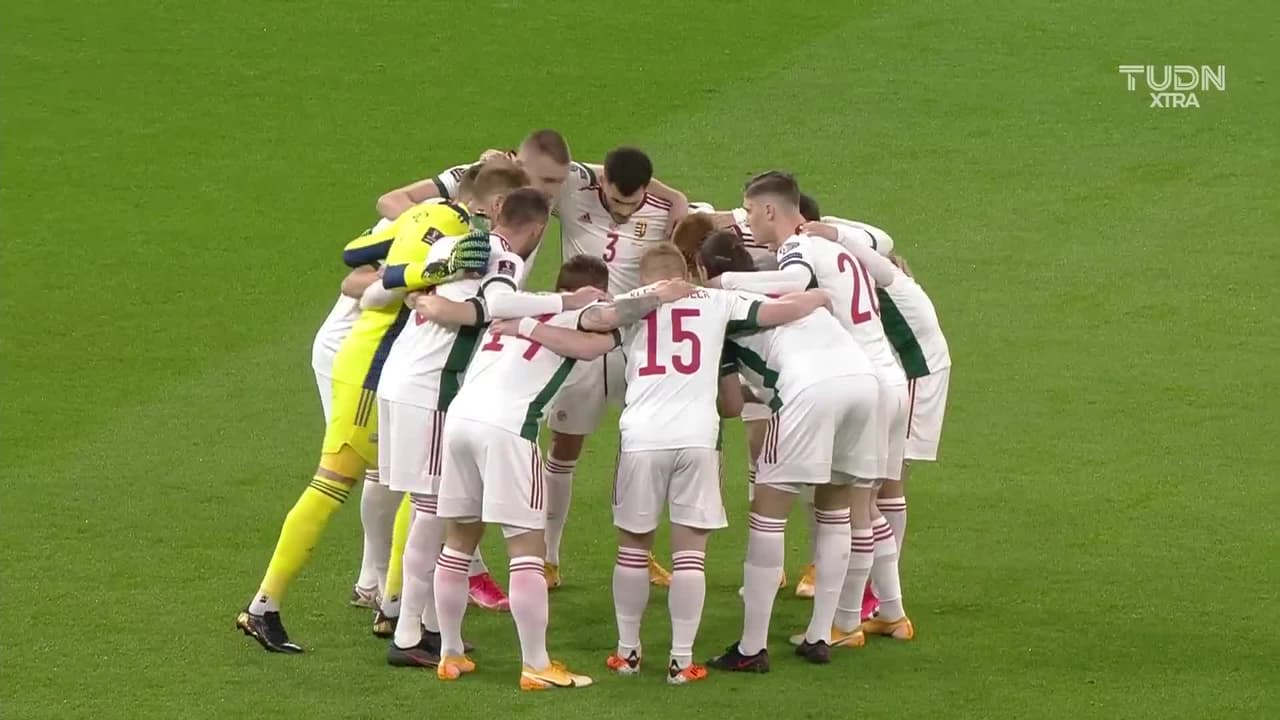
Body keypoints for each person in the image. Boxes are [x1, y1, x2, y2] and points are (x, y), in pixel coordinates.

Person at [512, 243, 830, 683]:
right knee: (690, 557)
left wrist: (525, 324)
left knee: (633, 549)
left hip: (642, 438)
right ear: (684, 271)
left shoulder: (631, 306)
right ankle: (682, 661)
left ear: (644, 277)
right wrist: (819, 295)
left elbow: (591, 330)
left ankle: (627, 653)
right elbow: (779, 312)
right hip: (698, 439)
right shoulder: (718, 301)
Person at [235, 171, 493, 654]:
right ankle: (262, 607)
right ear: (489, 203)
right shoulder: (450, 226)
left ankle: (396, 608)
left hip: (385, 367)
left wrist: (413, 270)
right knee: (332, 483)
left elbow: (355, 254)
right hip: (371, 366)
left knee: (415, 487)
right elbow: (376, 288)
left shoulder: (420, 216)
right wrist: (428, 273)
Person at [708, 171, 914, 646]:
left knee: (852, 509)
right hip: (883, 376)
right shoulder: (839, 242)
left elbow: (792, 282)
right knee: (856, 507)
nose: (748, 223)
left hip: (854, 377)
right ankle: (873, 615)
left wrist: (723, 281)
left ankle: (840, 622)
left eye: (749, 211)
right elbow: (879, 241)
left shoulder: (798, 246)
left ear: (769, 210)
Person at [428, 254, 636, 690]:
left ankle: (450, 653)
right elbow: (593, 344)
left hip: (460, 422)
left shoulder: (518, 305)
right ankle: (536, 664)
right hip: (508, 429)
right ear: (596, 291)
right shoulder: (582, 315)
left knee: (458, 541)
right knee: (526, 549)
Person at [693, 231, 878, 671]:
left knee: (768, 514)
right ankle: (820, 635)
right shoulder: (781, 284)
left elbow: (731, 406)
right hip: (862, 383)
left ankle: (752, 647)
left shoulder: (716, 310)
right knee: (834, 512)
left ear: (703, 271)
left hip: (809, 391)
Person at [541, 148, 693, 589]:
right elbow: (549, 166)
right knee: (564, 448)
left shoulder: (665, 210)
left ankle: (640, 555)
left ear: (649, 189)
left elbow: (710, 223)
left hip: (638, 347)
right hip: (582, 338)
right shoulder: (575, 192)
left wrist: (676, 197)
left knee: (640, 450)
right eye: (616, 201)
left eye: (635, 203)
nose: (625, 213)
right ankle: (548, 557)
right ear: (603, 182)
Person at [807, 221, 951, 620]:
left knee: (886, 487)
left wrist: (834, 236)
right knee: (881, 488)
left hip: (916, 373)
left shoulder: (872, 276)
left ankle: (879, 594)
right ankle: (878, 594)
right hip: (906, 370)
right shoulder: (874, 274)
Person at [375, 130, 573, 219]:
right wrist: (432, 226)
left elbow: (603, 173)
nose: (553, 191)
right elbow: (390, 200)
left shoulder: (550, 186)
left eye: (560, 181)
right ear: (519, 166)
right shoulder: (478, 176)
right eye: (547, 181)